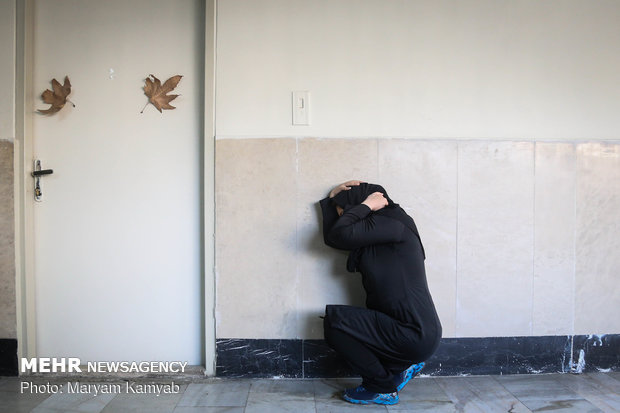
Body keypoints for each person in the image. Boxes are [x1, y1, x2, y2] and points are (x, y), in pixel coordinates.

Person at [319, 180, 442, 406]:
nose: (342, 216)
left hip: (413, 332)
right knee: (341, 323)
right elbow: (334, 237)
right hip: (408, 330)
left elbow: (341, 233)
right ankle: (400, 367)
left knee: (335, 324)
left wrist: (365, 204)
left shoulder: (394, 224)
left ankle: (381, 387)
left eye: (343, 211)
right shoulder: (380, 229)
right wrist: (331, 200)